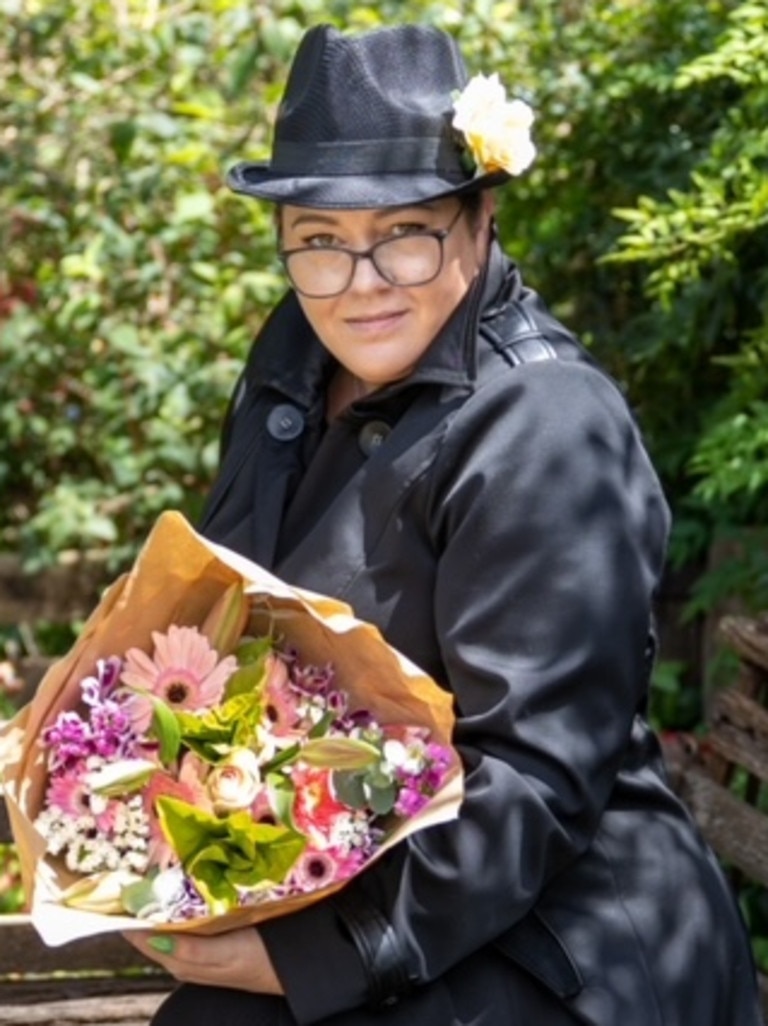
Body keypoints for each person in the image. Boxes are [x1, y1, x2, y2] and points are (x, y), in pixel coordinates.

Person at [126, 22, 762, 1026]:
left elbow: (540, 781)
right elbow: (235, 643)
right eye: (321, 243)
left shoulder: (546, 424)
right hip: (356, 866)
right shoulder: (291, 361)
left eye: (404, 233)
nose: (362, 282)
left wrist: (322, 953)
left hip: (557, 937)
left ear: (481, 218)